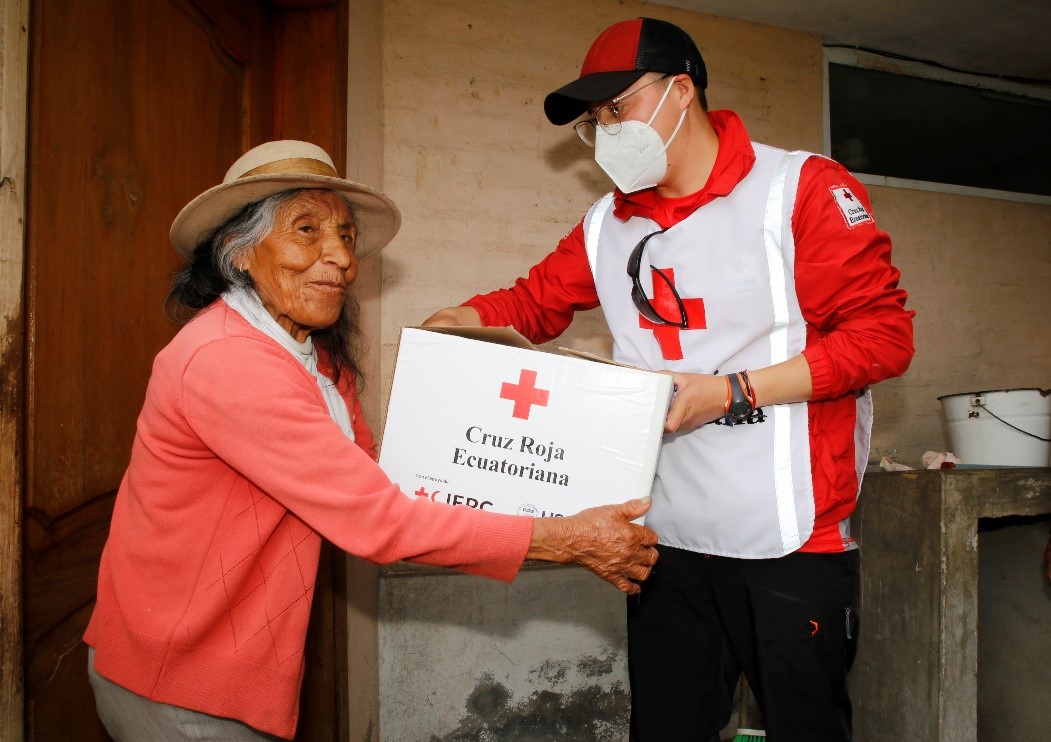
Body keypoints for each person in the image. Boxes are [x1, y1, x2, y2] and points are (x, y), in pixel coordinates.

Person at [424, 17, 915, 742]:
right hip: (663, 536)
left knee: (803, 725)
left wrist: (733, 391)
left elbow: (882, 336)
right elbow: (531, 303)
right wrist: (456, 323)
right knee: (666, 725)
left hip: (789, 537)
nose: (605, 131)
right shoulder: (608, 223)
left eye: (616, 109)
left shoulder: (796, 189)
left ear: (680, 91)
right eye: (595, 122)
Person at [83, 140, 659, 741]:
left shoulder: (314, 355)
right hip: (180, 682)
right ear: (239, 252)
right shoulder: (228, 360)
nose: (340, 257)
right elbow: (378, 520)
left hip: (222, 670)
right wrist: (567, 538)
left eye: (346, 235)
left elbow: (378, 482)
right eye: (306, 231)